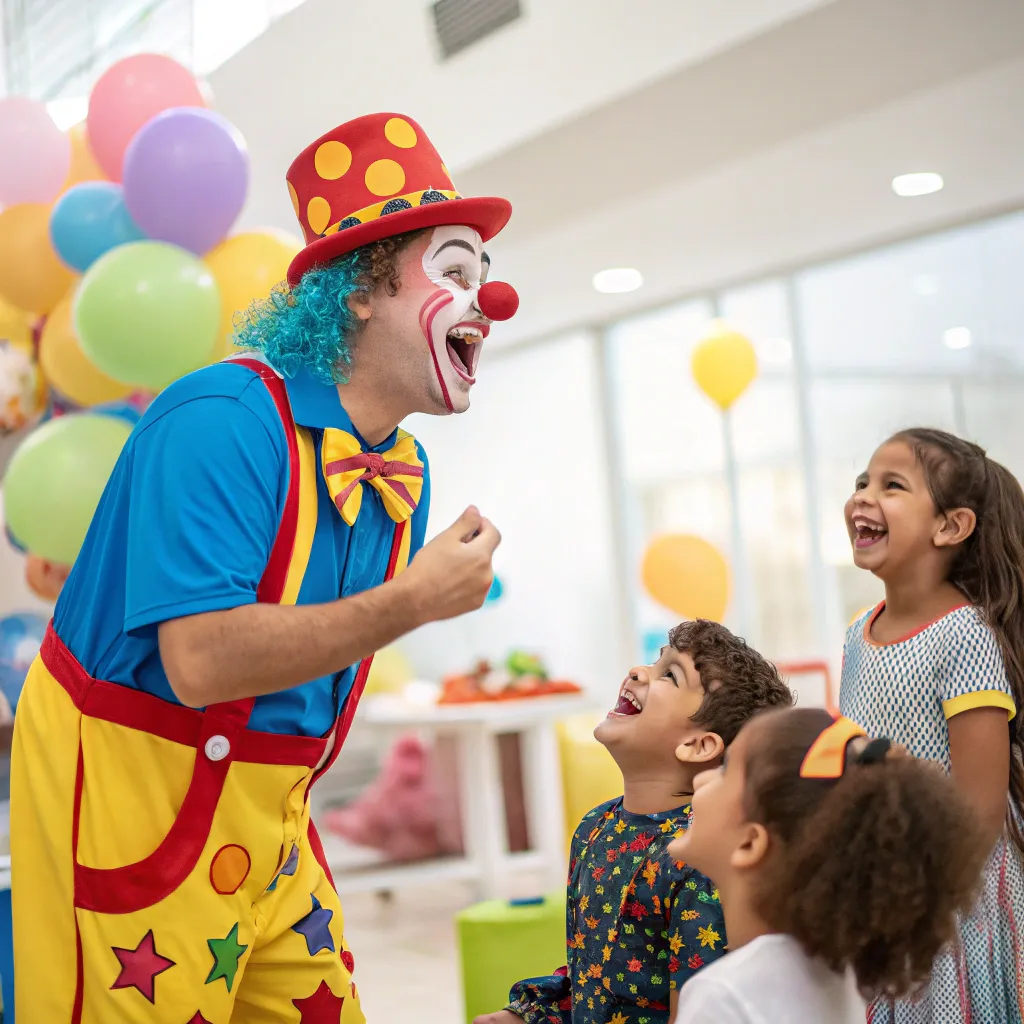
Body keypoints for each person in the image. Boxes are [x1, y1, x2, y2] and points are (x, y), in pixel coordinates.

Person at [11, 112, 518, 1023]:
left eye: (484, 276)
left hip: (272, 817)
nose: (491, 301)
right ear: (360, 291)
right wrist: (412, 601)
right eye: (454, 272)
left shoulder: (400, 468)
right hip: (132, 793)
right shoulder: (221, 417)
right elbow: (201, 661)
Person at [474, 620, 794, 1024]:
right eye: (654, 662)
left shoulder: (698, 857)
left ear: (698, 745)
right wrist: (527, 1016)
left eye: (670, 675)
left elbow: (699, 1012)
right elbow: (592, 977)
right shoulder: (595, 826)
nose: (638, 672)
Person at [840, 427, 1024, 1022]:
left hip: (955, 895)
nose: (863, 495)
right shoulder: (857, 635)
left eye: (891, 485)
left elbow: (979, 813)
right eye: (862, 481)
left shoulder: (964, 636)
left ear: (950, 526)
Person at [668, 708, 987, 1024]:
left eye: (725, 770)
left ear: (750, 843)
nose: (701, 778)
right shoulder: (836, 980)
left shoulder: (722, 998)